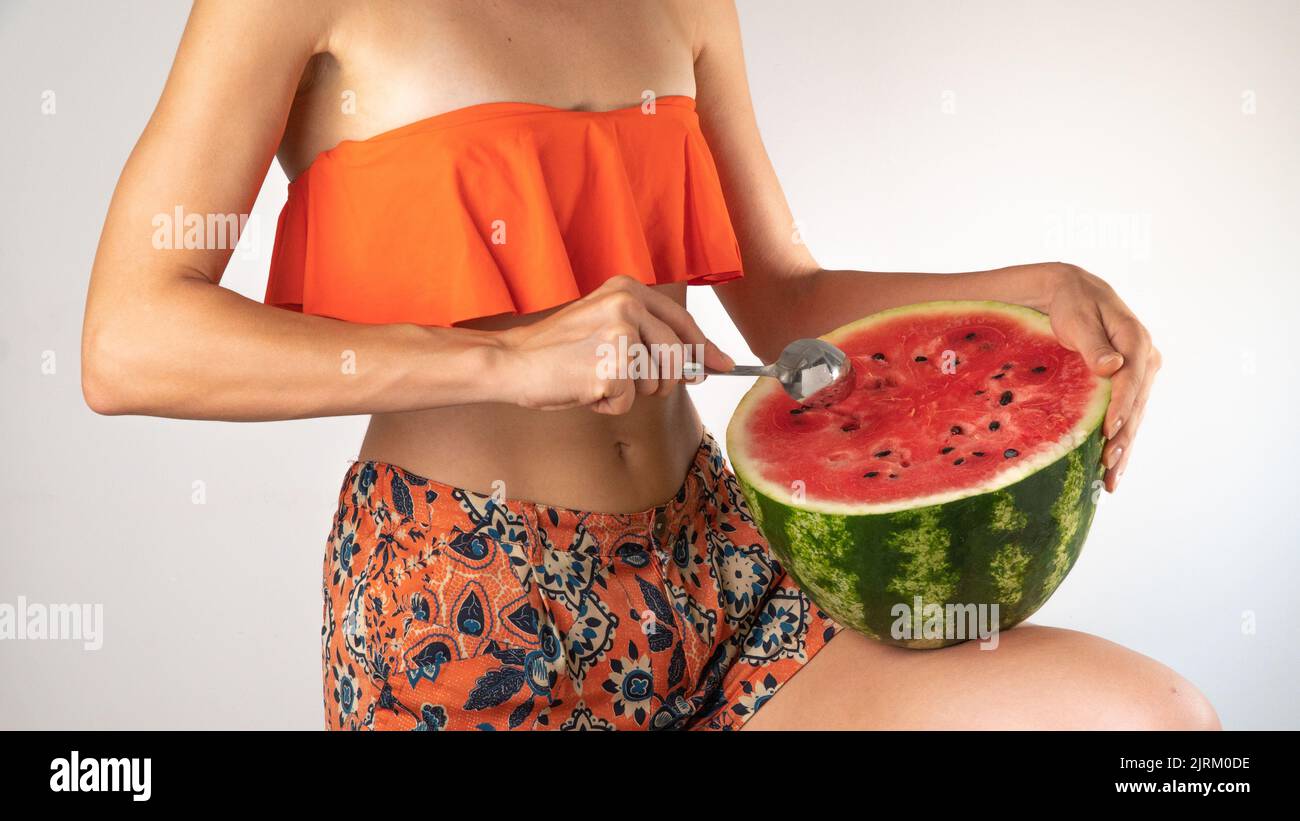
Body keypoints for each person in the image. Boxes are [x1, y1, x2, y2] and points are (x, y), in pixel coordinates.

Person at [82, 0, 1216, 730]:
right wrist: (510, 361)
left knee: (1151, 723)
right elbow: (129, 341)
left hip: (723, 564)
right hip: (468, 591)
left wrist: (1025, 293)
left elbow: (781, 302)